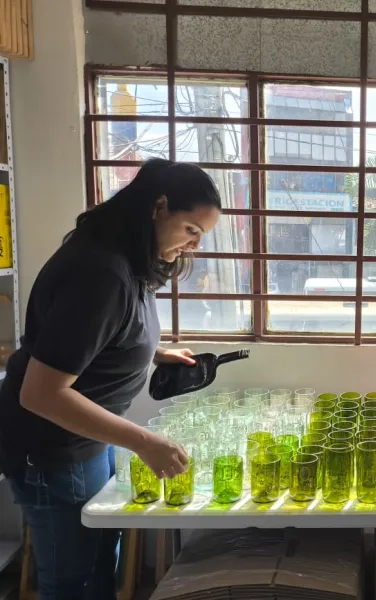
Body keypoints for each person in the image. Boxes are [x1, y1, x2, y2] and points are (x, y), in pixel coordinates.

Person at [0, 159, 221, 600]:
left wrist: (153, 351)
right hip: (51, 448)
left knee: (101, 563)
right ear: (159, 207)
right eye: (191, 230)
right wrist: (145, 442)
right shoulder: (101, 272)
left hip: (87, 439)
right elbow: (40, 393)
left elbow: (94, 332)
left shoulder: (126, 256)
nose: (194, 245)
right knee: (72, 580)